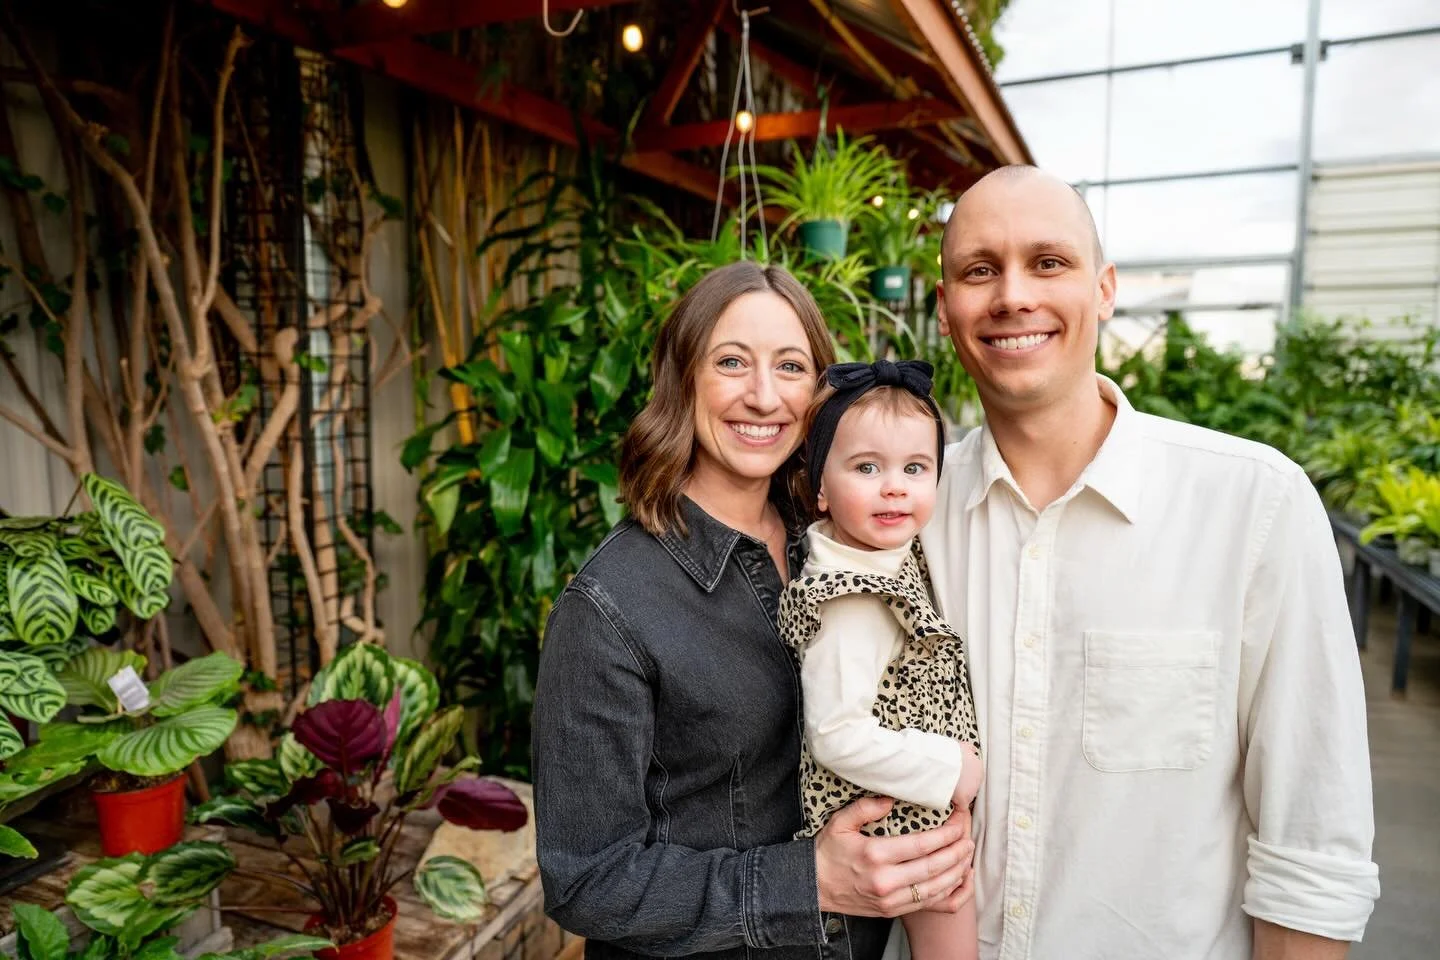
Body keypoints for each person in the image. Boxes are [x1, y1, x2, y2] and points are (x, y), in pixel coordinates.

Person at [919, 164, 1380, 959]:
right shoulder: (905, 518)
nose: (1012, 296)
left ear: (1104, 289)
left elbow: (1312, 847)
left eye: (1049, 263)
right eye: (979, 270)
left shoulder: (1252, 506)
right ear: (945, 309)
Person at [532, 261, 975, 960]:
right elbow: (586, 879)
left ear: (822, 398)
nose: (764, 396)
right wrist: (809, 881)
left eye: (791, 366)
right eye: (731, 362)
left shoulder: (846, 544)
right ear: (684, 380)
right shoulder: (610, 606)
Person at [779, 359, 983, 960]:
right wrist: (954, 770)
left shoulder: (879, 551)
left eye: (915, 468)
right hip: (901, 826)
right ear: (820, 486)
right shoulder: (850, 600)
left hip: (915, 805)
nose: (894, 486)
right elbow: (836, 735)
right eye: (867, 468)